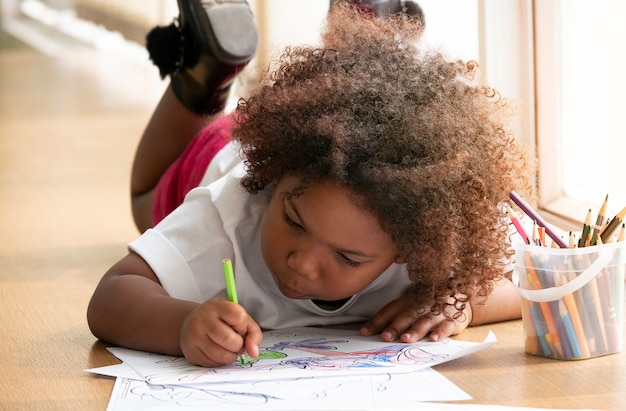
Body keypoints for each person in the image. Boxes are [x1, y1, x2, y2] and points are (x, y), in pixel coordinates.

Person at [87, 0, 533, 368]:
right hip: (234, 146)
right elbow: (111, 296)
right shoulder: (228, 215)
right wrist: (182, 323)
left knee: (364, 106)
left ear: (408, 251)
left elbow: (533, 281)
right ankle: (205, 73)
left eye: (346, 256)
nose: (302, 263)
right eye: (294, 222)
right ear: (277, 184)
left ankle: (363, 43)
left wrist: (463, 302)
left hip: (333, 132)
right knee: (146, 200)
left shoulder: (427, 222)